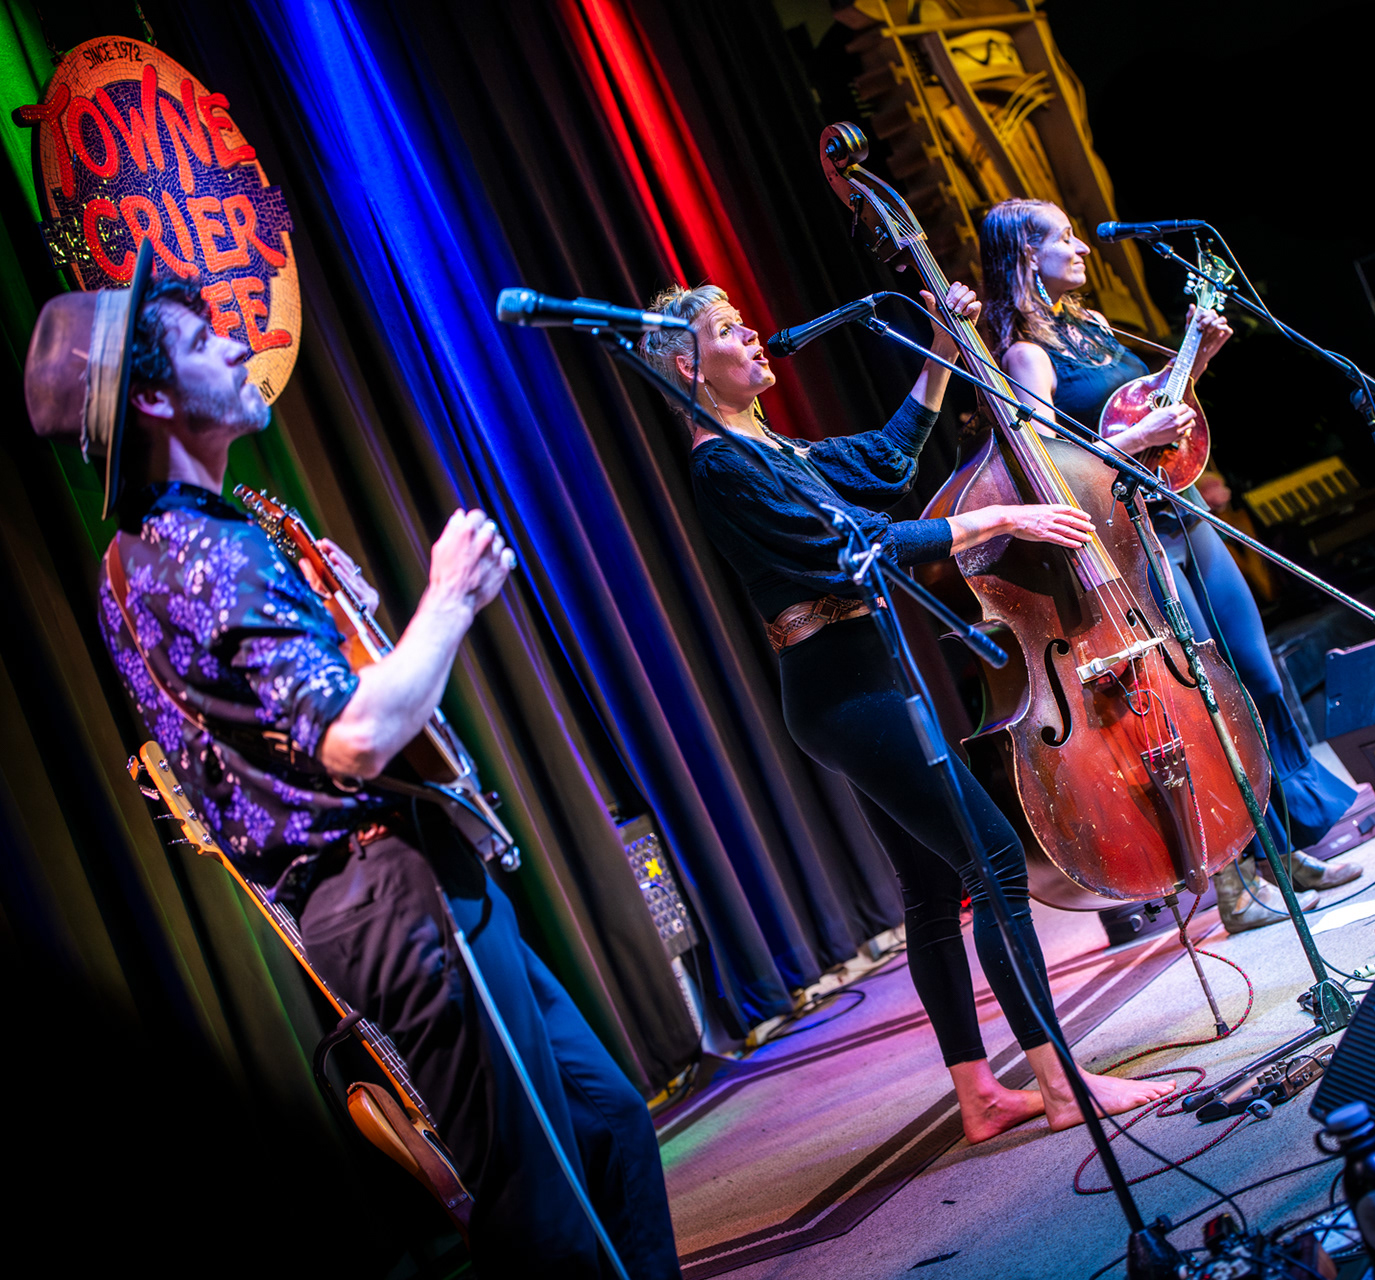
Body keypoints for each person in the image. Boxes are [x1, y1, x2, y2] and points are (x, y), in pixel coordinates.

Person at [26, 248, 681, 1278]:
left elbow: (264, 732)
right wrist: (449, 598)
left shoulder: (134, 561)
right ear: (151, 398)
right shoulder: (212, 552)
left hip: (380, 895)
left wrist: (353, 627)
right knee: (538, 1205)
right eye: (201, 342)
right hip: (391, 888)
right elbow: (356, 740)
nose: (236, 346)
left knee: (606, 1122)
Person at [639, 278, 1178, 1144]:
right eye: (730, 331)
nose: (753, 336)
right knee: (995, 861)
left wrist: (937, 353)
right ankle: (1061, 1085)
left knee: (932, 889)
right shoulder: (723, 465)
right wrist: (999, 517)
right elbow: (854, 545)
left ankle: (980, 1096)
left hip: (857, 685)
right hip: (845, 694)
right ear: (686, 367)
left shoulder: (771, 449)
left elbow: (886, 463)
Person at [975, 198, 1370, 932]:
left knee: (1255, 676)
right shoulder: (1027, 356)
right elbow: (1046, 463)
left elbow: (1151, 409)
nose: (1081, 247)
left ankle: (1282, 851)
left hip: (1186, 514)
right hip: (1134, 540)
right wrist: (1136, 440)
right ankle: (1236, 883)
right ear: (1026, 255)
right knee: (1204, 695)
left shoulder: (1093, 328)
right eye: (1064, 237)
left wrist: (1198, 360)